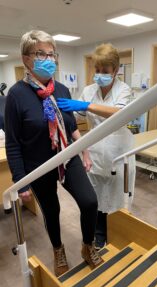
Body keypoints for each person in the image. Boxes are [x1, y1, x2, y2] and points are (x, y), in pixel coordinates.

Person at [5, 30, 103, 277]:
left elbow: (71, 128)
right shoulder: (16, 95)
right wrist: (20, 180)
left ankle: (87, 246)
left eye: (51, 54)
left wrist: (85, 153)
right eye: (41, 53)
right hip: (38, 165)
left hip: (67, 157)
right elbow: (14, 143)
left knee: (90, 202)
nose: (48, 59)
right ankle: (58, 250)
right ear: (26, 58)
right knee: (52, 210)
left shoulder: (61, 89)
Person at [57, 43, 136, 250]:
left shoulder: (124, 90)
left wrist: (85, 105)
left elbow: (119, 114)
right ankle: (99, 235)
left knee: (118, 195)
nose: (100, 74)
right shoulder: (89, 90)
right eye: (97, 70)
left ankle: (118, 235)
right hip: (94, 150)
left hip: (119, 149)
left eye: (105, 71)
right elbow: (74, 116)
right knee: (96, 196)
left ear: (116, 70)